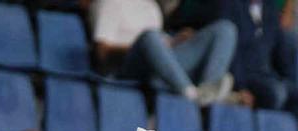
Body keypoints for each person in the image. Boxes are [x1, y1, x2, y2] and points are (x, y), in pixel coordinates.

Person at [90, 0, 236, 104]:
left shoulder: (152, 7)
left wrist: (174, 41)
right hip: (130, 68)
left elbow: (159, 45)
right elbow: (102, 53)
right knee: (149, 37)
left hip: (161, 70)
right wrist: (142, 47)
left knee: (225, 30)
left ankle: (208, 92)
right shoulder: (109, 3)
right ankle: (191, 95)